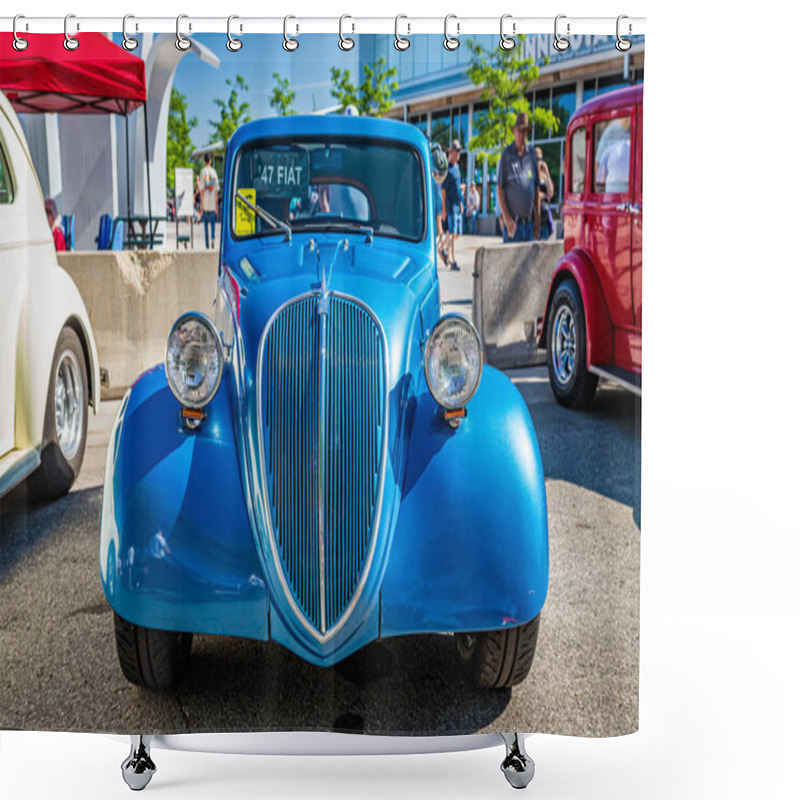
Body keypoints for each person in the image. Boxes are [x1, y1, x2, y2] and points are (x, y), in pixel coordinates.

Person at [497, 112, 540, 243]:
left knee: (529, 263)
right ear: (514, 132)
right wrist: (507, 217)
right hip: (513, 225)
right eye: (519, 131)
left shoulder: (531, 154)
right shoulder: (507, 155)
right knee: (511, 263)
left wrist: (537, 220)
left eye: (525, 132)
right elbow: (500, 189)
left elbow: (536, 187)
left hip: (528, 225)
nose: (522, 135)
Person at [441, 140, 464, 270]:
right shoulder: (448, 169)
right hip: (450, 205)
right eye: (457, 151)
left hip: (457, 203)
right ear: (452, 152)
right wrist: (444, 208)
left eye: (460, 150)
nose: (459, 153)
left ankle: (443, 249)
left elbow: (457, 188)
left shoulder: (457, 167)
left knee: (455, 234)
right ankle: (452, 260)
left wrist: (461, 202)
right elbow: (443, 190)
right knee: (453, 231)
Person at [200, 153, 220, 249]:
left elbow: (202, 190)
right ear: (210, 161)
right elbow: (216, 190)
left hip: (205, 204)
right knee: (212, 225)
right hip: (212, 204)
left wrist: (201, 205)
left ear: (204, 161)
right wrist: (216, 206)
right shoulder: (214, 172)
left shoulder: (202, 172)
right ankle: (213, 239)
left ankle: (207, 245)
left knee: (205, 227)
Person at [535, 146, 555, 240]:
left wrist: (547, 172)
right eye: (536, 159)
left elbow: (550, 193)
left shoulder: (543, 175)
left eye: (540, 159)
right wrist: (543, 195)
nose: (538, 161)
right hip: (534, 220)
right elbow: (533, 195)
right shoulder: (530, 175)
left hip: (544, 219)